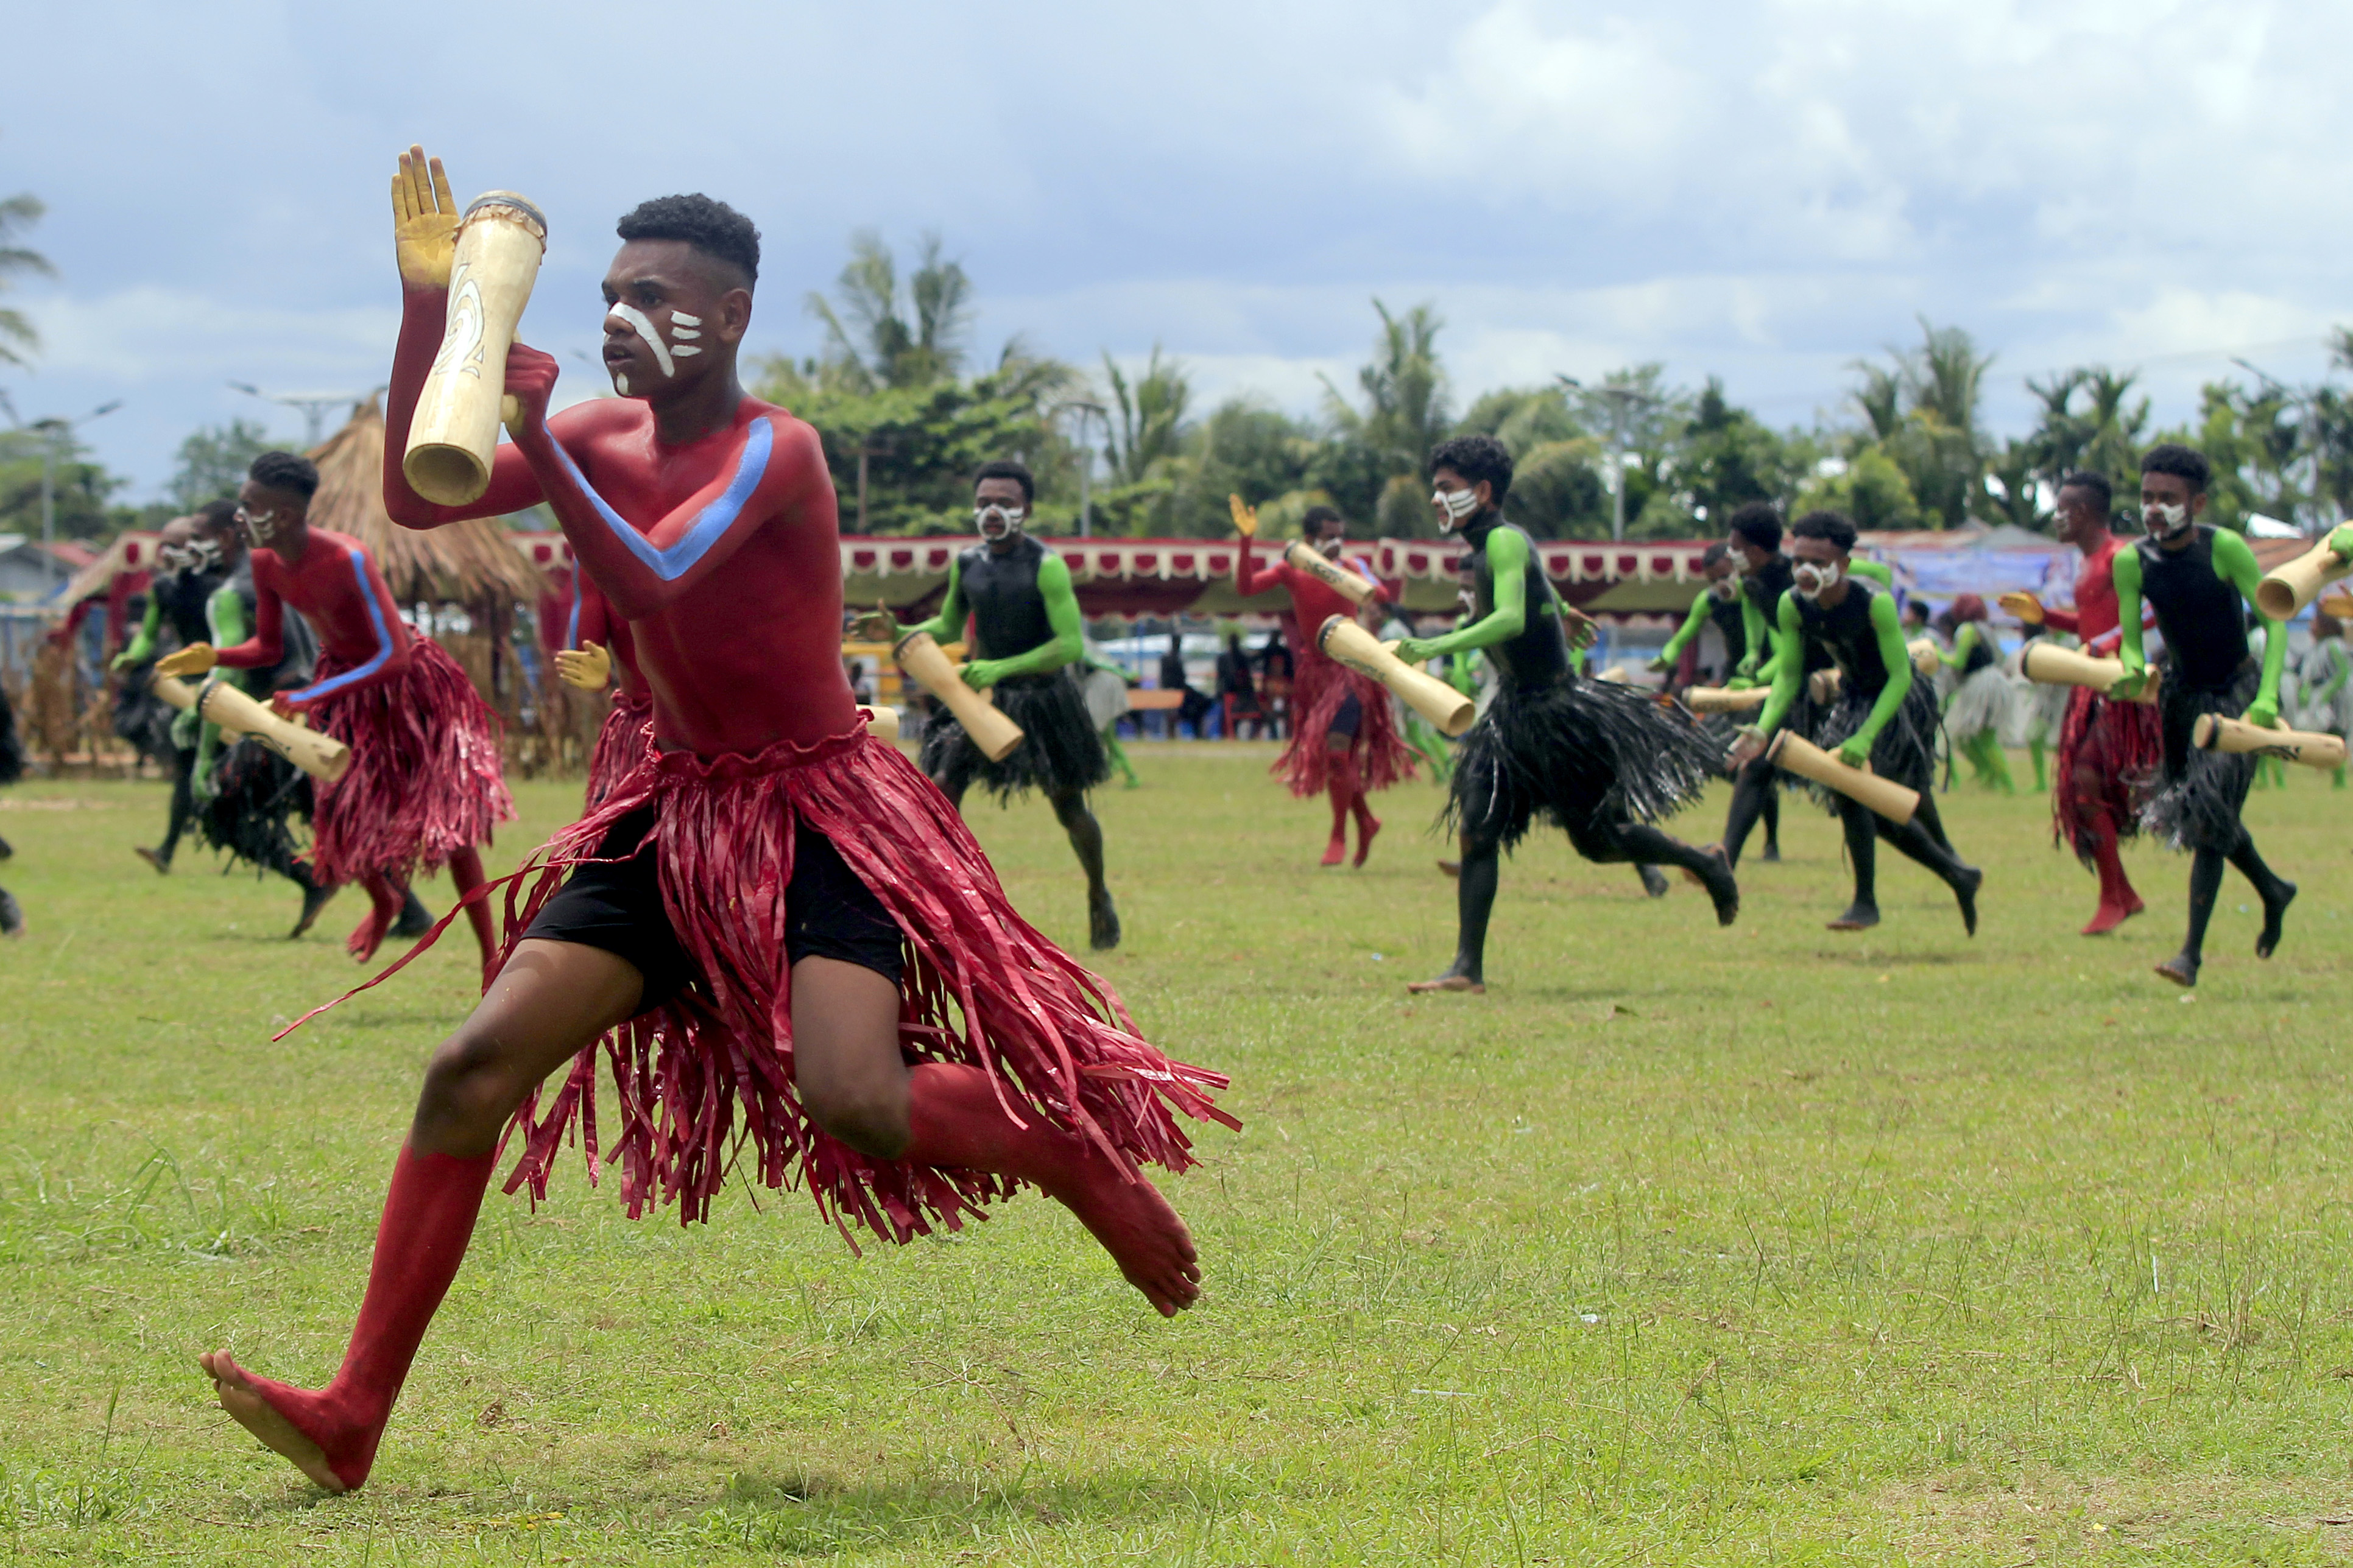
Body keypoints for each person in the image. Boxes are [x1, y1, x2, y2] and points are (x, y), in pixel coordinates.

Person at [194, 154, 1235, 1499]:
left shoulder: (775, 452)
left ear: (729, 315)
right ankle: (352, 1413)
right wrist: (427, 309)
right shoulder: (593, 438)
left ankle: (1057, 1145)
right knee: (466, 1070)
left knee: (854, 1101)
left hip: (814, 812)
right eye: (610, 294)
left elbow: (657, 576)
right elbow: (413, 493)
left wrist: (540, 440)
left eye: (654, 298)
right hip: (665, 816)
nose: (623, 319)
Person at [1395, 435, 1735, 994]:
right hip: (1510, 713)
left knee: (1599, 842)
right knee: (1477, 832)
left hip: (1556, 715)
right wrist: (1560, 608)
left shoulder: (1502, 541)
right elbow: (1533, 585)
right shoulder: (1489, 548)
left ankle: (1703, 862)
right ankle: (1466, 969)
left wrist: (1432, 647)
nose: (1436, 499)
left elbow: (1507, 618)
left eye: (1446, 488)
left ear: (1481, 491)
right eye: (1435, 487)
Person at [157, 451, 512, 972]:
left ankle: (490, 955)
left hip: (411, 691)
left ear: (284, 514)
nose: (238, 515)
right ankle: (386, 900)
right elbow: (269, 648)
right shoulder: (264, 562)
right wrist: (216, 656)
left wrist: (311, 696)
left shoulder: (348, 559)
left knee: (448, 830)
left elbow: (397, 656)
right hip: (343, 686)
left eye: (249, 505)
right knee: (338, 812)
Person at [872, 459, 1121, 951]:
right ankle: (946, 905)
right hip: (982, 696)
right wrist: (898, 632)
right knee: (942, 788)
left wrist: (1002, 668)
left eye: (1004, 503)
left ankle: (1098, 892)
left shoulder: (1046, 566)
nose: (992, 511)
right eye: (984, 501)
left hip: (1045, 699)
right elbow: (946, 627)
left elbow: (1070, 645)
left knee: (1068, 804)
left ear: (1025, 509)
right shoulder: (967, 563)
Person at [1729, 510, 1981, 935]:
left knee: (1874, 796)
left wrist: (1864, 738)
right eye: (1798, 560)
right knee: (1870, 795)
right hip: (1854, 696)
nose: (1805, 571)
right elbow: (1789, 675)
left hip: (1900, 699)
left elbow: (1900, 676)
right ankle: (1952, 873)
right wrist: (1763, 727)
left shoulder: (1874, 603)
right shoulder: (1791, 604)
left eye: (1818, 562)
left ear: (1843, 565)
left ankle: (1904, 888)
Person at [2111, 444, 2295, 987]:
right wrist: (2128, 666)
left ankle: (2189, 955)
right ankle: (2271, 888)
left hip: (2235, 691)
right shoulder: (2133, 561)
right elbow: (2130, 642)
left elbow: (2276, 621)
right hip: (2180, 696)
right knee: (2199, 814)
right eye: (2147, 496)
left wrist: (2265, 696)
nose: (2154, 508)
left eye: (2168, 498)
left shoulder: (2226, 549)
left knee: (2209, 815)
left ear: (2197, 501)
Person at [1999, 471, 2164, 934]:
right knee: (2081, 785)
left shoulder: (2118, 556)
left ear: (2084, 513)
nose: (2056, 519)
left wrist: (2104, 647)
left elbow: (2149, 613)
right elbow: (2091, 625)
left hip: (2120, 685)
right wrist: (2046, 616)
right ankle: (2118, 892)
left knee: (2086, 779)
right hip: (2091, 683)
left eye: (2061, 510)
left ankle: (2116, 895)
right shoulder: (2086, 562)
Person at [180, 499, 344, 938]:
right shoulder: (276, 581)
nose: (190, 547)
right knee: (330, 817)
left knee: (221, 813)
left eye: (198, 536)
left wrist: (202, 757)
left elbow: (225, 676)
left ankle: (311, 881)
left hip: (276, 723)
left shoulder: (232, 594)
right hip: (314, 718)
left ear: (225, 537)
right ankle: (407, 910)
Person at [1232, 501, 1418, 867]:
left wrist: (1345, 572)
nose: (1337, 543)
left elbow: (1380, 596)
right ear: (1309, 539)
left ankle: (1338, 836)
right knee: (1339, 761)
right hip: (1313, 676)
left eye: (1341, 536)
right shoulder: (1291, 569)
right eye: (1329, 537)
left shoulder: (1352, 568)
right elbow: (1246, 587)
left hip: (1351, 671)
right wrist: (1246, 541)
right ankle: (1365, 820)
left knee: (1336, 752)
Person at [111, 515, 226, 873]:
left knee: (225, 767)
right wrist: (133, 654)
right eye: (165, 545)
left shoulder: (220, 586)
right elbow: (149, 632)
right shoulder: (162, 588)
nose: (168, 552)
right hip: (185, 689)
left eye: (176, 545)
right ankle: (169, 848)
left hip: (227, 681)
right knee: (186, 768)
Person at [551, 570, 652, 810]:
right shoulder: (599, 541)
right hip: (644, 733)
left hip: (727, 737)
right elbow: (585, 653)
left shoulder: (600, 538)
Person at [1939, 595, 2014, 793]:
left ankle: (2006, 784)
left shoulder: (1967, 630)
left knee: (1981, 737)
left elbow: (1958, 662)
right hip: (1994, 681)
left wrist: (1937, 653)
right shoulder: (1986, 629)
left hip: (1981, 684)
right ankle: (1991, 777)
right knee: (1975, 736)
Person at [1651, 541, 1748, 688]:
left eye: (1725, 576)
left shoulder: (1752, 592)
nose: (1721, 584)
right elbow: (1681, 638)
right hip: (1736, 666)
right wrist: (1666, 658)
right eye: (1713, 580)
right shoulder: (1709, 600)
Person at [2296, 603, 2352, 789]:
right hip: (2320, 693)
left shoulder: (2335, 645)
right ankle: (2329, 772)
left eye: (2315, 622)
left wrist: (2327, 693)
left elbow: (2343, 673)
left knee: (2337, 731)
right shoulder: (2316, 648)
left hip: (2337, 694)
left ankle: (2340, 778)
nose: (2311, 625)